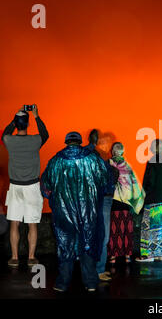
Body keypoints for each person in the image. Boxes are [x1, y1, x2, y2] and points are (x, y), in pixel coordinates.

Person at [40, 132, 108, 292]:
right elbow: (105, 180)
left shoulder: (55, 161)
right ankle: (90, 282)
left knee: (65, 246)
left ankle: (62, 283)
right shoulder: (92, 159)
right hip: (88, 211)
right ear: (79, 142)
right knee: (88, 244)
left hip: (63, 212)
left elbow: (45, 186)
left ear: (66, 142)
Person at [2, 106, 49, 268]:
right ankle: (31, 257)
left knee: (14, 223)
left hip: (15, 187)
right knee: (32, 224)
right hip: (32, 187)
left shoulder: (9, 140)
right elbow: (45, 134)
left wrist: (14, 120)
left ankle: (14, 258)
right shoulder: (35, 140)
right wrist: (36, 116)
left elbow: (4, 134)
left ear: (16, 124)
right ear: (28, 124)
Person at [85, 129, 119, 282]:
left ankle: (94, 270)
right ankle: (97, 270)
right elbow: (104, 178)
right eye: (106, 141)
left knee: (94, 235)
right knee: (102, 236)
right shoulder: (99, 156)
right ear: (99, 142)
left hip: (93, 198)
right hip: (102, 198)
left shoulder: (88, 154)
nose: (108, 145)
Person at [136, 139, 162, 262]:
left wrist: (144, 195)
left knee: (150, 228)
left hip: (153, 201)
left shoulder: (152, 162)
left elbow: (149, 182)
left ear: (152, 149)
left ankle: (149, 255)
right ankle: (161, 254)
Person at [108, 142, 145, 265]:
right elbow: (135, 186)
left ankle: (113, 256)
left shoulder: (108, 164)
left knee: (114, 230)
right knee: (127, 230)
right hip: (127, 203)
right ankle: (127, 256)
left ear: (112, 151)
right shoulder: (128, 166)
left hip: (113, 202)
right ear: (123, 152)